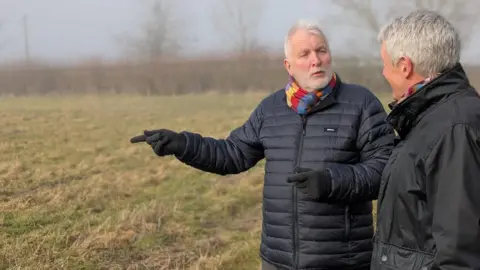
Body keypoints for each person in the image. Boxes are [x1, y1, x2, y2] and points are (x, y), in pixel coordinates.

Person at [131, 20, 395, 270]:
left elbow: (385, 169)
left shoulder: (361, 103)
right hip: (277, 258)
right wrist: (182, 144)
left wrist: (331, 182)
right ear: (288, 65)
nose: (316, 60)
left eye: (321, 50)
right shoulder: (271, 109)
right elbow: (232, 154)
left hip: (342, 261)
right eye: (304, 54)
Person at [371, 10, 480, 270]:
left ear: (405, 66)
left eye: (385, 64)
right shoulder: (431, 117)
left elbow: (460, 252)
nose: (384, 73)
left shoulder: (454, 128)